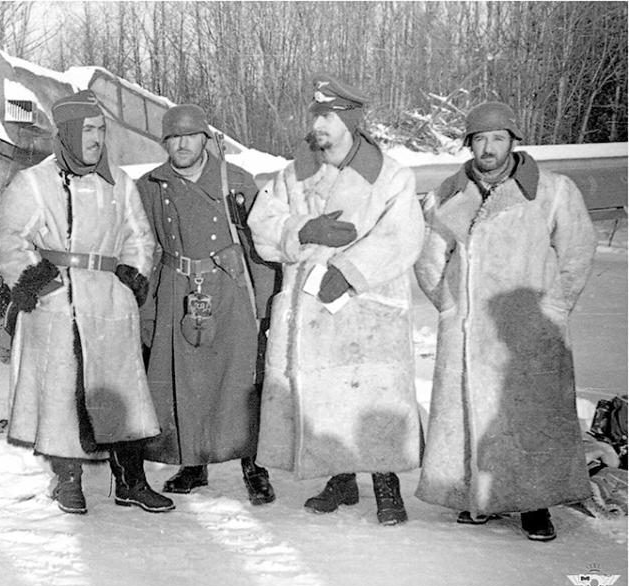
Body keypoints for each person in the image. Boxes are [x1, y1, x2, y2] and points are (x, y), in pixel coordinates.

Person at [414, 101, 596, 541]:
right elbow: (428, 259)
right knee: (471, 415)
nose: (488, 148)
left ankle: (535, 505)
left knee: (530, 418)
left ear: (513, 141)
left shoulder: (552, 190)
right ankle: (481, 499)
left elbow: (577, 254)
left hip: (526, 331)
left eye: (497, 138)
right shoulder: (449, 194)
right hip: (467, 332)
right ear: (470, 145)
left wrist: (551, 310)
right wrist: (451, 307)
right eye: (479, 139)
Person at [247, 75, 424, 525]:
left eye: (326, 115)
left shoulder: (391, 176)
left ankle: (387, 485)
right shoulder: (295, 174)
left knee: (373, 395)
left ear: (350, 120)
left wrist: (349, 271)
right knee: (326, 395)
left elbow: (403, 236)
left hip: (367, 307)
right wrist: (302, 230)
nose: (317, 124)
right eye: (315, 115)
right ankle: (341, 479)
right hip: (310, 310)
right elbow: (262, 223)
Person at [0, 90, 174, 515]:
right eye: (88, 130)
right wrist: (40, 283)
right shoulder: (33, 182)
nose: (96, 138)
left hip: (110, 301)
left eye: (101, 129)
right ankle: (68, 480)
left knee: (121, 391)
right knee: (62, 392)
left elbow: (140, 238)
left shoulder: (120, 183)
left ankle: (131, 481)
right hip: (58, 303)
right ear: (69, 132)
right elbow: (9, 238)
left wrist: (131, 280)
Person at [136, 104, 277, 505]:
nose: (181, 144)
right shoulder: (151, 185)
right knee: (187, 380)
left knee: (240, 380)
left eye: (189, 136)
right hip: (177, 288)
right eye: (173, 137)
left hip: (230, 288)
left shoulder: (237, 182)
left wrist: (265, 302)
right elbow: (141, 245)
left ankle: (254, 466)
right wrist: (146, 303)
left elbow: (261, 246)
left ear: (205, 140)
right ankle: (193, 464)